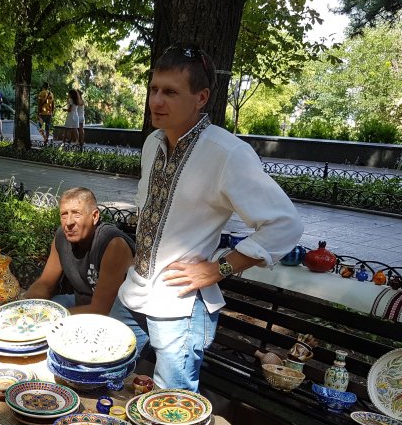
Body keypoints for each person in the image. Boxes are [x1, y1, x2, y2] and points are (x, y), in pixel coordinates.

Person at [113, 44, 303, 392]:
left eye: (170, 92)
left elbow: (285, 224)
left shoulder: (227, 153)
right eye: (154, 89)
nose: (156, 101)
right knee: (102, 374)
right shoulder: (154, 143)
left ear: (201, 98)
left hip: (179, 307)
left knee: (172, 407)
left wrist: (219, 268)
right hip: (133, 293)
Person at [24, 187, 135, 316]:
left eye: (76, 214)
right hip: (79, 304)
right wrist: (26, 305)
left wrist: (51, 318)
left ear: (94, 216)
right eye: (64, 215)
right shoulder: (61, 237)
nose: (69, 223)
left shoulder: (113, 244)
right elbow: (45, 284)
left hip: (113, 315)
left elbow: (101, 310)